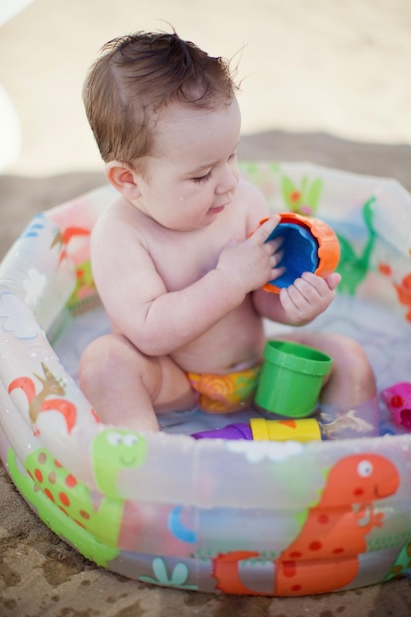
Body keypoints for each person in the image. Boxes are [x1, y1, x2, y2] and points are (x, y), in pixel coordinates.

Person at [79, 30, 378, 433]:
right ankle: (148, 467)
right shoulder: (121, 235)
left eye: (232, 155)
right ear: (128, 180)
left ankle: (352, 448)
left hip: (257, 372)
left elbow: (259, 299)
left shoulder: (241, 202)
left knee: (347, 354)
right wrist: (229, 280)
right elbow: (149, 333)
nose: (229, 182)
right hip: (175, 385)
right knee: (106, 363)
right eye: (201, 175)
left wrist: (292, 306)